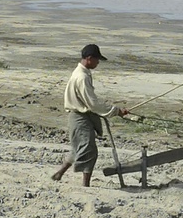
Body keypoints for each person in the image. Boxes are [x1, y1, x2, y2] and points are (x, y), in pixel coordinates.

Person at [52, 44, 128, 187]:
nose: (98, 63)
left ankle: (59, 174)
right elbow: (92, 103)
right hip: (80, 117)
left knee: (78, 148)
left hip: (81, 116)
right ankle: (85, 185)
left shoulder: (83, 73)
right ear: (89, 58)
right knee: (89, 150)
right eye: (97, 60)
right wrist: (116, 111)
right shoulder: (82, 77)